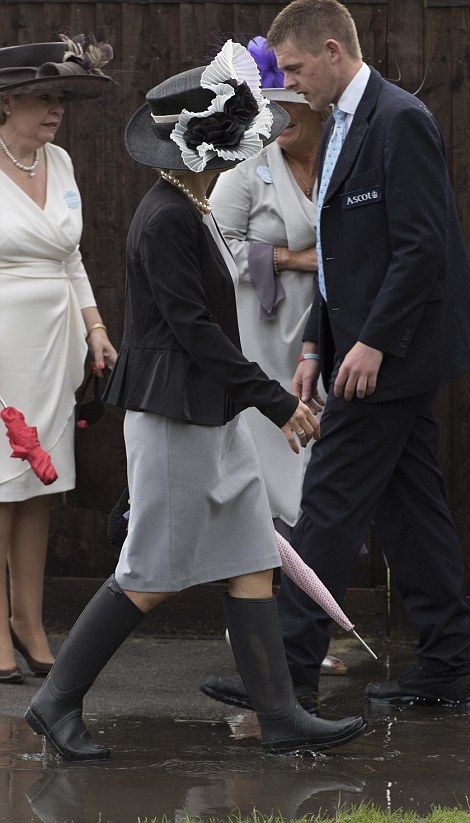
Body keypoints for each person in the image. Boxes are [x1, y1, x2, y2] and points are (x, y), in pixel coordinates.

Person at [25, 40, 365, 761]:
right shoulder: (167, 218)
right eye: (240, 137)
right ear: (207, 146)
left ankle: (279, 713)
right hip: (175, 415)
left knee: (248, 554)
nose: (251, 145)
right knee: (148, 571)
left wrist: (253, 402)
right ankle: (54, 702)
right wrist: (274, 400)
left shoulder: (192, 203)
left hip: (210, 412)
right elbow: (195, 333)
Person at [201, 0, 470, 712]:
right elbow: (339, 258)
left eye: (293, 68)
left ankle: (285, 674)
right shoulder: (346, 122)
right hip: (353, 347)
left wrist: (372, 342)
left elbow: (422, 249)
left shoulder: (399, 118)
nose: (289, 83)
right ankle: (449, 660)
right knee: (412, 508)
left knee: (326, 503)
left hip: (394, 353)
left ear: (331, 50)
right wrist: (317, 343)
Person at [209, 36, 347, 680]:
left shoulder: (342, 161)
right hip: (263, 341)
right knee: (271, 483)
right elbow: (219, 243)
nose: (284, 121)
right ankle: (267, 640)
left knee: (327, 486)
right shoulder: (247, 170)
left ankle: (315, 629)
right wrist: (293, 260)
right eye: (276, 110)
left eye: (295, 109)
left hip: (326, 339)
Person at [0, 36, 117, 684]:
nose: (56, 111)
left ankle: (29, 619)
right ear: (8, 98)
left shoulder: (63, 162)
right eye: (45, 97)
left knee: (42, 482)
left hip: (56, 341)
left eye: (62, 100)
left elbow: (71, 258)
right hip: (0, 338)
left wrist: (95, 327)